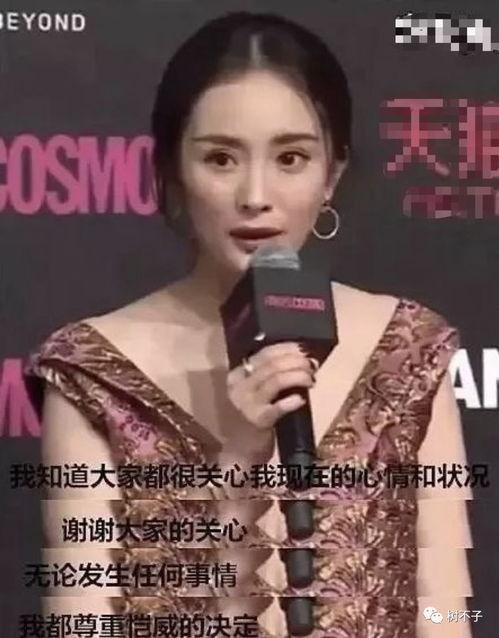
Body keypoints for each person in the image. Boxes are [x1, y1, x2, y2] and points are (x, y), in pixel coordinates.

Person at [24, 11, 473, 638]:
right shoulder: (91, 370)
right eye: (221, 159)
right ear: (171, 173)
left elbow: (446, 609)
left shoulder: (409, 349)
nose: (255, 195)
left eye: (290, 157)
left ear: (332, 174)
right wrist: (236, 469)